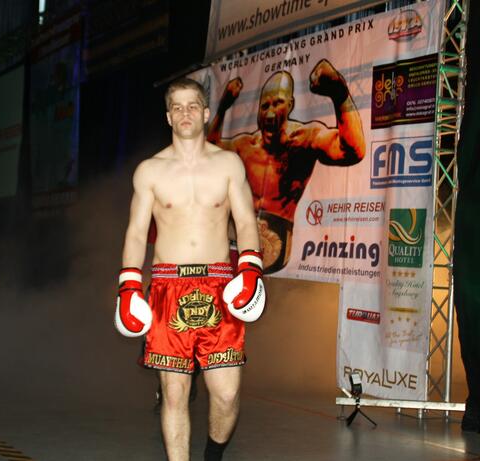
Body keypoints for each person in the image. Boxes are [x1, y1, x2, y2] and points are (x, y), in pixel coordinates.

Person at [115, 78, 266, 461]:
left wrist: (250, 267)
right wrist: (129, 285)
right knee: (174, 393)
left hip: (220, 285)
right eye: (177, 107)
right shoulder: (150, 171)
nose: (185, 113)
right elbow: (136, 233)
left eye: (192, 105)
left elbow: (245, 222)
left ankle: (213, 455)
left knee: (227, 393)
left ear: (206, 112)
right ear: (168, 116)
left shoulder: (228, 164)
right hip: (168, 287)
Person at [208, 59, 366, 273]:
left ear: (290, 105)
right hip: (238, 247)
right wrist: (223, 107)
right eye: (265, 106)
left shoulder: (305, 139)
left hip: (279, 252)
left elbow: (353, 151)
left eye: (278, 103)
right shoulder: (245, 146)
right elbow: (210, 153)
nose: (270, 113)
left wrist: (340, 94)